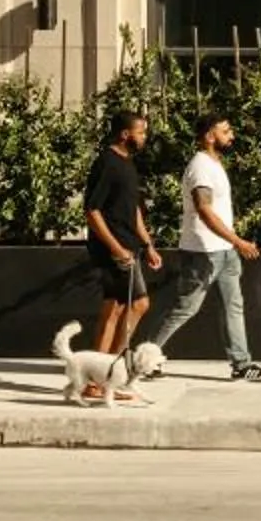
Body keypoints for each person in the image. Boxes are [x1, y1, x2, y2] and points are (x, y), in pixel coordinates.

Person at [148, 110, 261, 381]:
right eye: (225, 131)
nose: (231, 135)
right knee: (186, 308)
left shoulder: (213, 164)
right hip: (202, 252)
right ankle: (146, 356)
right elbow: (203, 210)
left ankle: (242, 364)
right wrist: (238, 241)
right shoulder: (200, 167)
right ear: (209, 136)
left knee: (233, 306)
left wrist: (231, 245)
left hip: (224, 251)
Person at [81, 110, 163, 397]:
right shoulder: (107, 163)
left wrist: (148, 244)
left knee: (117, 307)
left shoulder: (127, 164)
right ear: (125, 134)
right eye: (141, 132)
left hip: (129, 247)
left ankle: (104, 376)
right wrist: (116, 248)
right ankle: (99, 379)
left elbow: (134, 210)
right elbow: (92, 210)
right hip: (114, 249)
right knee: (130, 305)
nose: (145, 137)